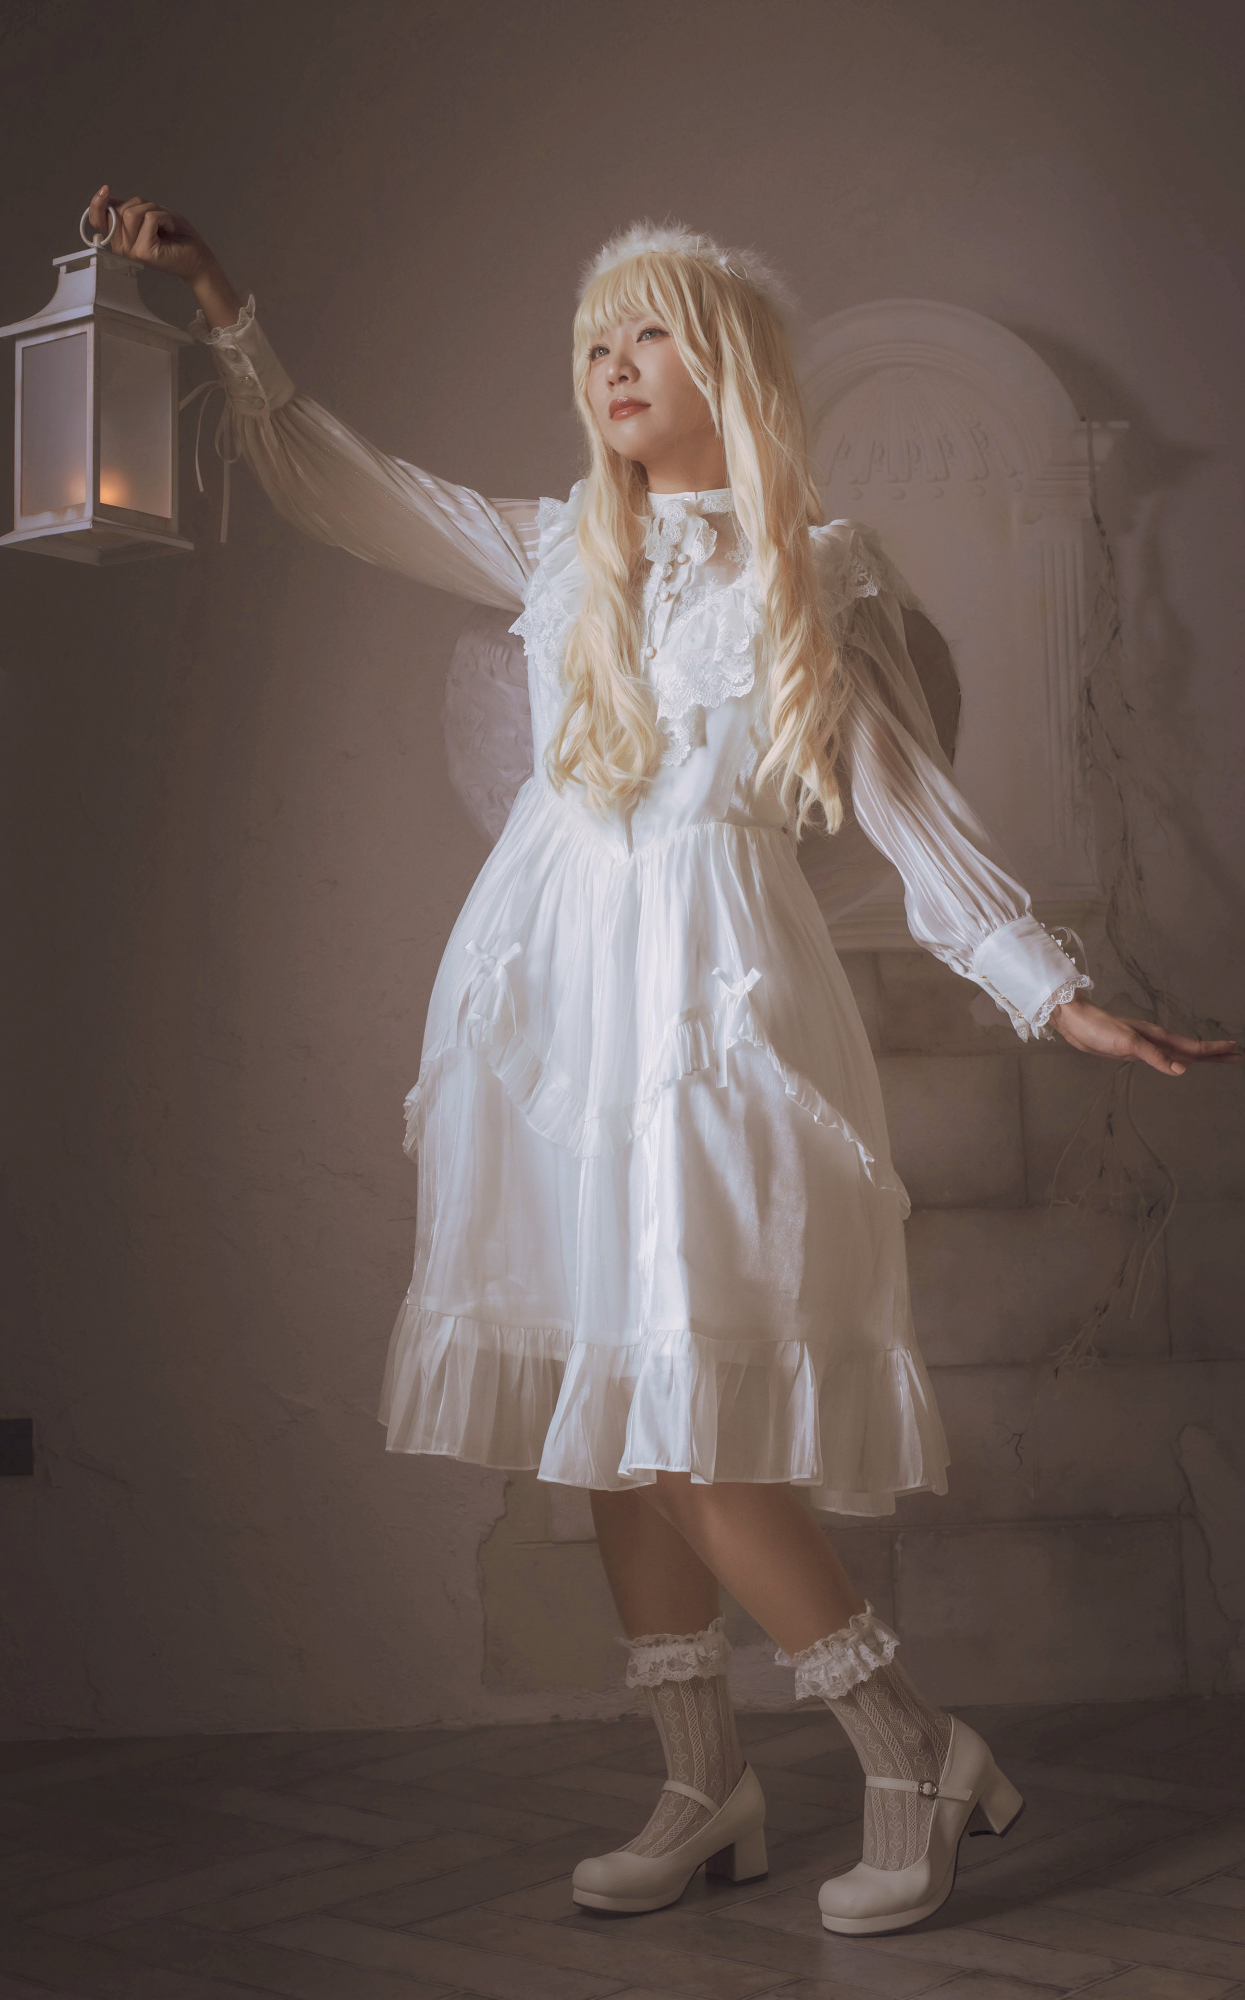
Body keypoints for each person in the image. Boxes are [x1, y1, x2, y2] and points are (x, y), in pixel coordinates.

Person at [85, 186, 1239, 1936]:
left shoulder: (815, 571)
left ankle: (914, 1752)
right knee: (605, 1421)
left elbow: (914, 816)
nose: (614, 366)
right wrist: (216, 304)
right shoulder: (559, 547)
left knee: (693, 1412)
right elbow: (342, 482)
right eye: (595, 344)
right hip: (550, 1017)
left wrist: (1055, 993)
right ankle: (706, 1787)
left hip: (710, 1011)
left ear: (728, 369)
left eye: (650, 337)